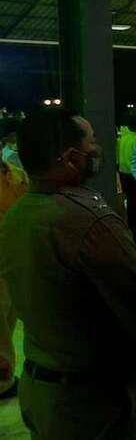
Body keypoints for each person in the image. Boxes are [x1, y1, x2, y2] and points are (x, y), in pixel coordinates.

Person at [0, 108, 136, 438]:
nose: (97, 150)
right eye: (92, 143)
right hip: (91, 399)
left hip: (43, 382)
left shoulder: (18, 213)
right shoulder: (87, 220)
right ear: (71, 158)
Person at [0, 157, 27, 401]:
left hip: (12, 257)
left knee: (9, 316)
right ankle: (3, 380)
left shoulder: (16, 174)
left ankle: (5, 373)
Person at [117, 110, 136, 249]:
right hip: (135, 178)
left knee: (130, 209)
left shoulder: (123, 138)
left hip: (123, 176)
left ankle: (131, 237)